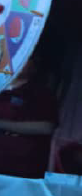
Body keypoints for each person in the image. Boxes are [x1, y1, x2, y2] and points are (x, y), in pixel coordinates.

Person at [0, 50, 61, 178]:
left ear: (34, 66)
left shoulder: (41, 94)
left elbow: (46, 127)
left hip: (19, 171)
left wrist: (3, 124)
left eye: (25, 57)